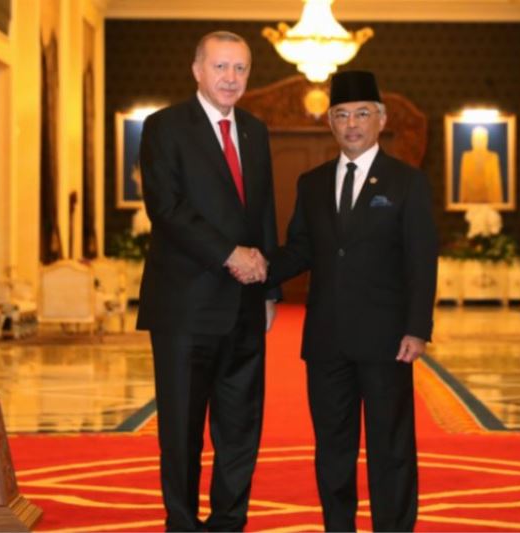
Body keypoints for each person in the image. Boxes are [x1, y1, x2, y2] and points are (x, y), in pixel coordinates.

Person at [264, 70, 438, 531]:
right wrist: (260, 270)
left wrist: (417, 328)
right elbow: (300, 249)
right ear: (330, 123)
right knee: (333, 449)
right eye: (341, 115)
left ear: (381, 119)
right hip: (326, 341)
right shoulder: (312, 183)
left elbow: (421, 260)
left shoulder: (407, 182)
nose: (352, 124)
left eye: (362, 114)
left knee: (390, 447)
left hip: (388, 341)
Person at [136, 30, 280, 532]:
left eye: (240, 68)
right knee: (182, 429)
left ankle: (228, 522)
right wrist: (229, 254)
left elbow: (263, 213)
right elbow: (167, 209)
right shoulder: (164, 127)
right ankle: (182, 523)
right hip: (186, 307)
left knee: (241, 428)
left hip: (245, 305)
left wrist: (269, 289)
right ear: (197, 70)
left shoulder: (256, 131)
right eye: (220, 66)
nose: (231, 78)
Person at [458, 125, 503, 204]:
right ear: (472, 140)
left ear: (486, 140)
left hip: (489, 201)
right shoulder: (467, 157)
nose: (479, 142)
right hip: (470, 202)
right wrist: (462, 202)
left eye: (482, 139)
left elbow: (496, 183)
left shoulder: (493, 157)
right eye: (476, 139)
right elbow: (463, 183)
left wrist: (498, 204)